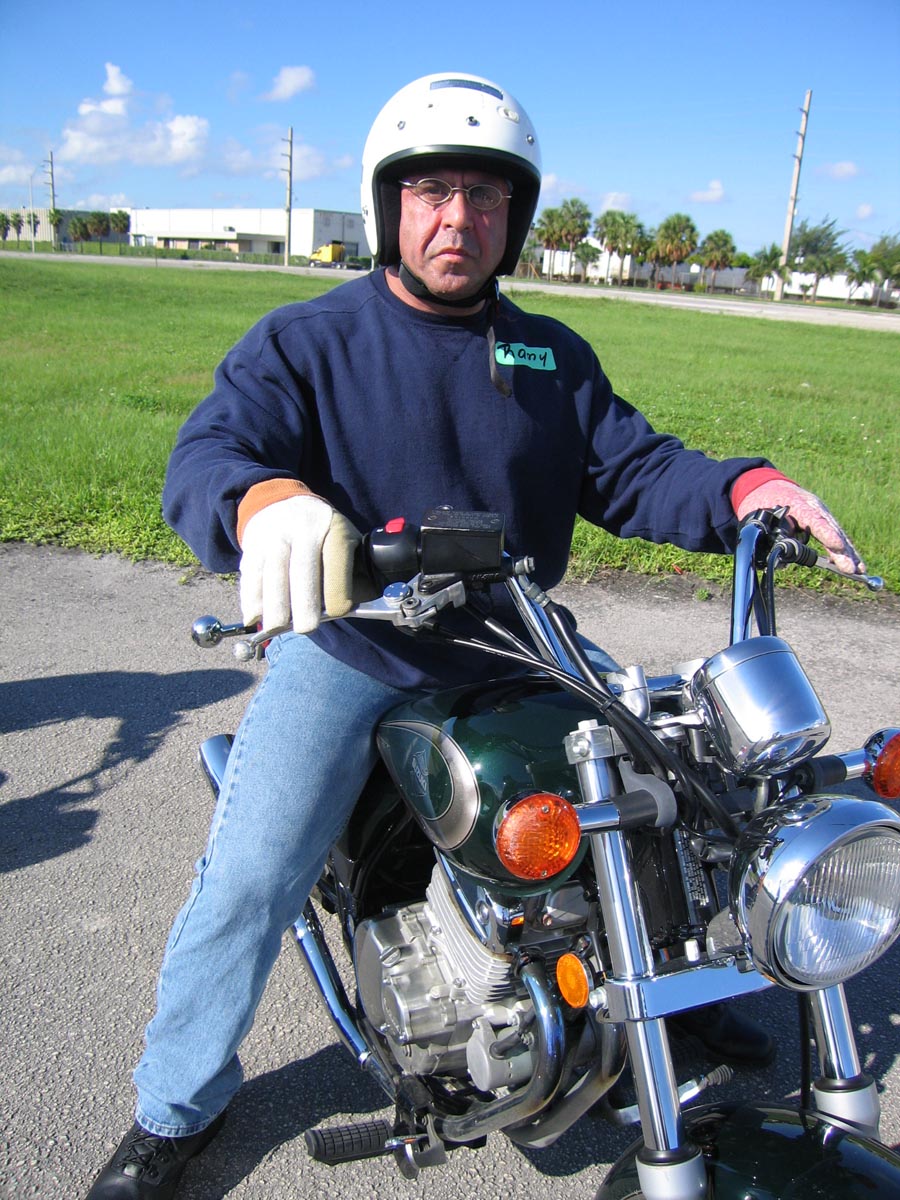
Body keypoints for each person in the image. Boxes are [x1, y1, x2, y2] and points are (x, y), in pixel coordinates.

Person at [86, 72, 866, 1200]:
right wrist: (266, 504)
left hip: (517, 638)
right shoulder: (309, 339)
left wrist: (749, 489)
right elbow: (210, 455)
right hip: (359, 647)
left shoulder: (548, 354)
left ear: (515, 215)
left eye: (487, 196)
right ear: (391, 204)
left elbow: (635, 468)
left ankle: (670, 991)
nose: (460, 218)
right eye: (434, 192)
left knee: (680, 790)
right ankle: (176, 1104)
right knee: (251, 875)